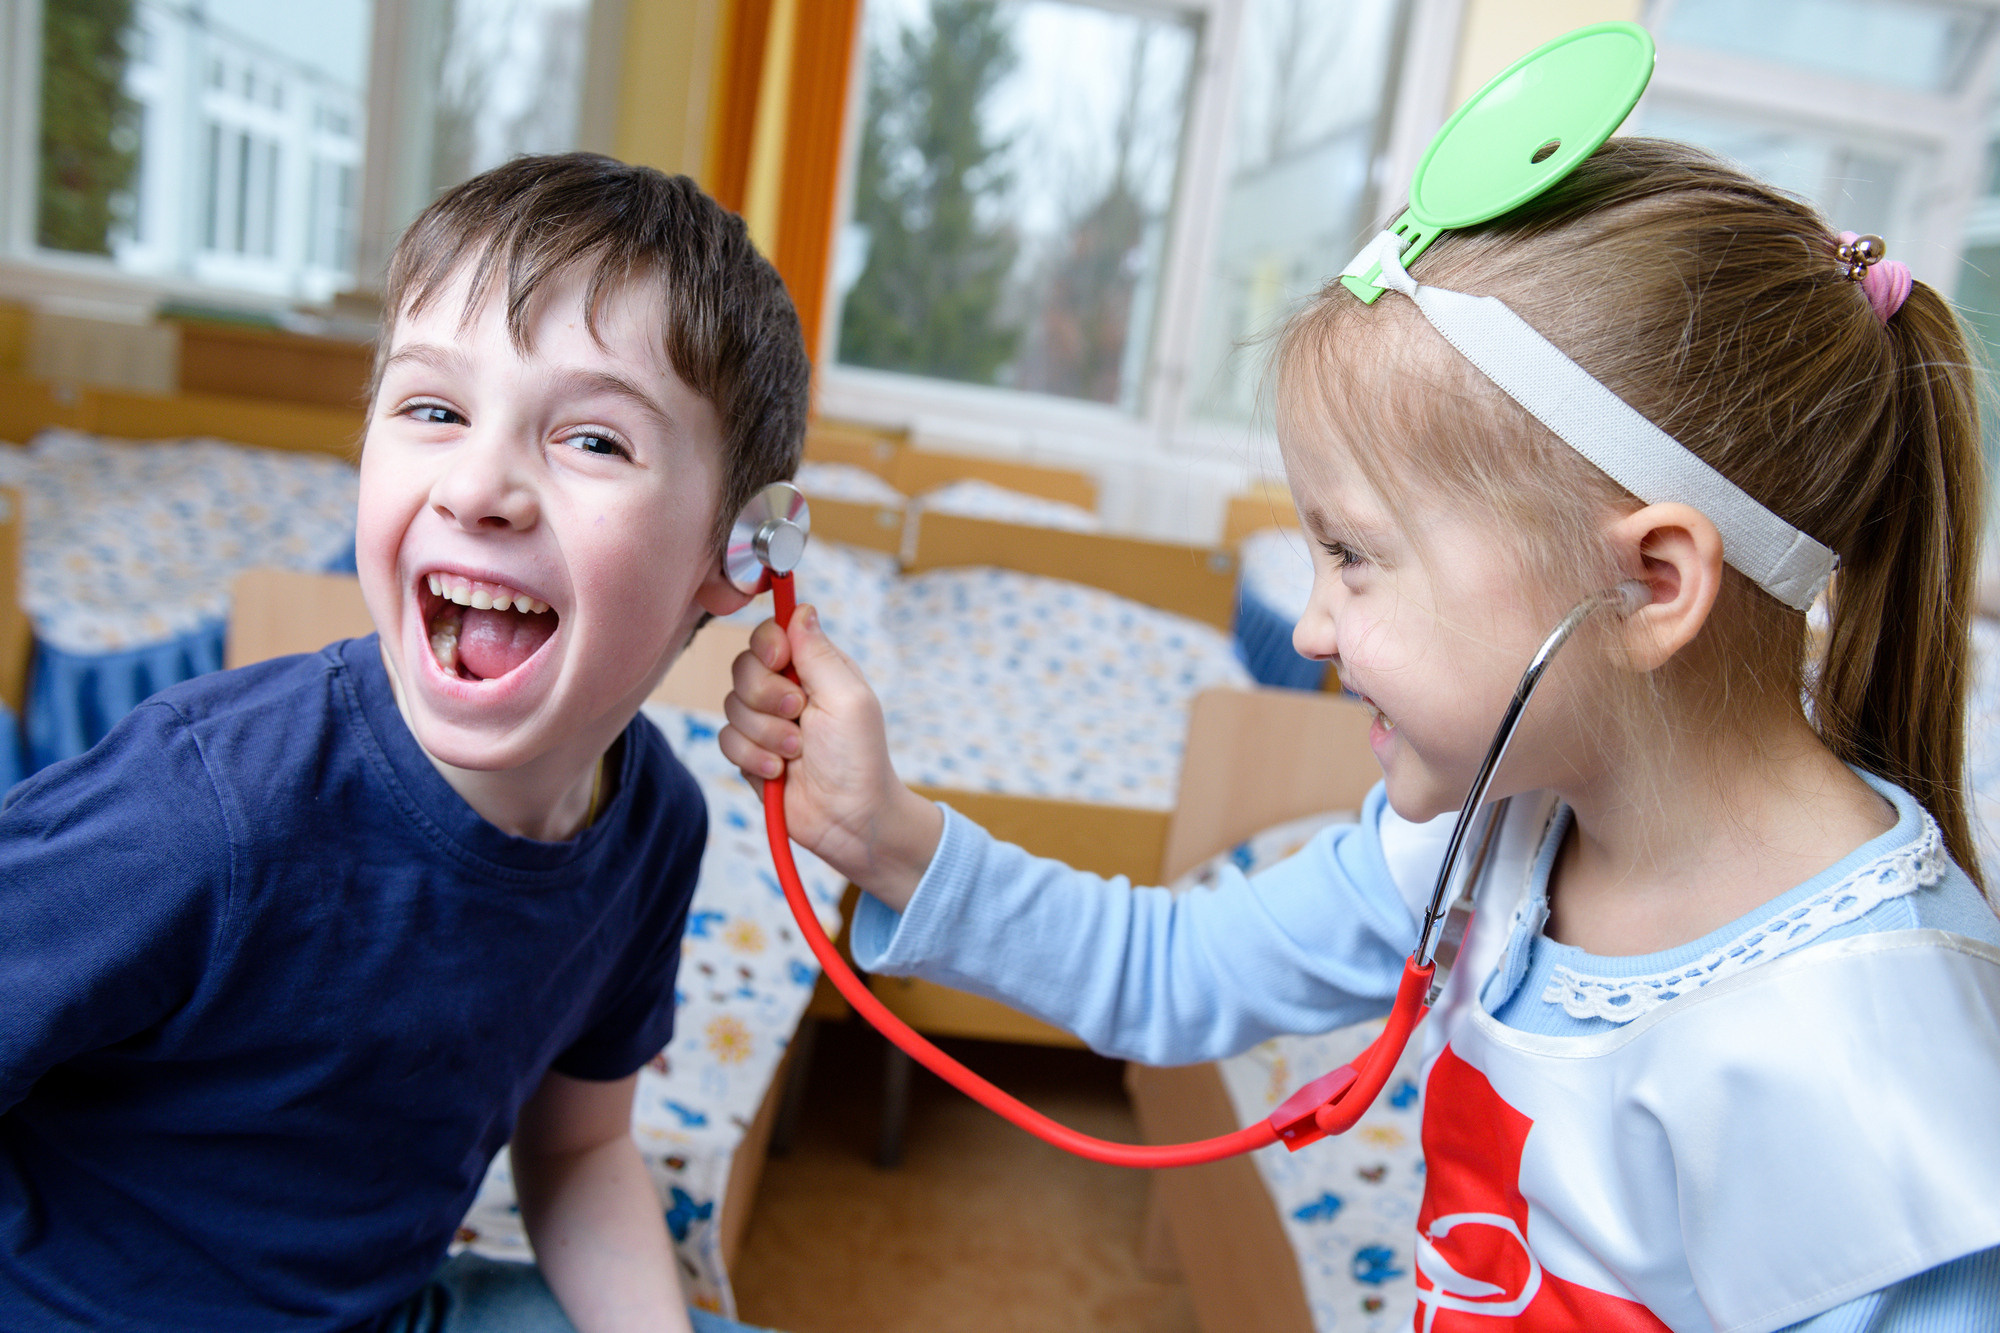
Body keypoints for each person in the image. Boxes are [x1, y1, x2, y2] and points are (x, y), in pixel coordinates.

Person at [720, 137, 2000, 1330]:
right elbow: (1174, 969)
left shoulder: (1868, 1055)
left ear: (1650, 584)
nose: (1313, 626)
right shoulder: (1495, 830)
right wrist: (885, 837)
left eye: (1352, 556)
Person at [0, 154, 804, 1333]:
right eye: (433, 409)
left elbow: (580, 1151)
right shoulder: (203, 807)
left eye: (591, 440)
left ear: (738, 557)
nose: (481, 483)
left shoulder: (656, 826)